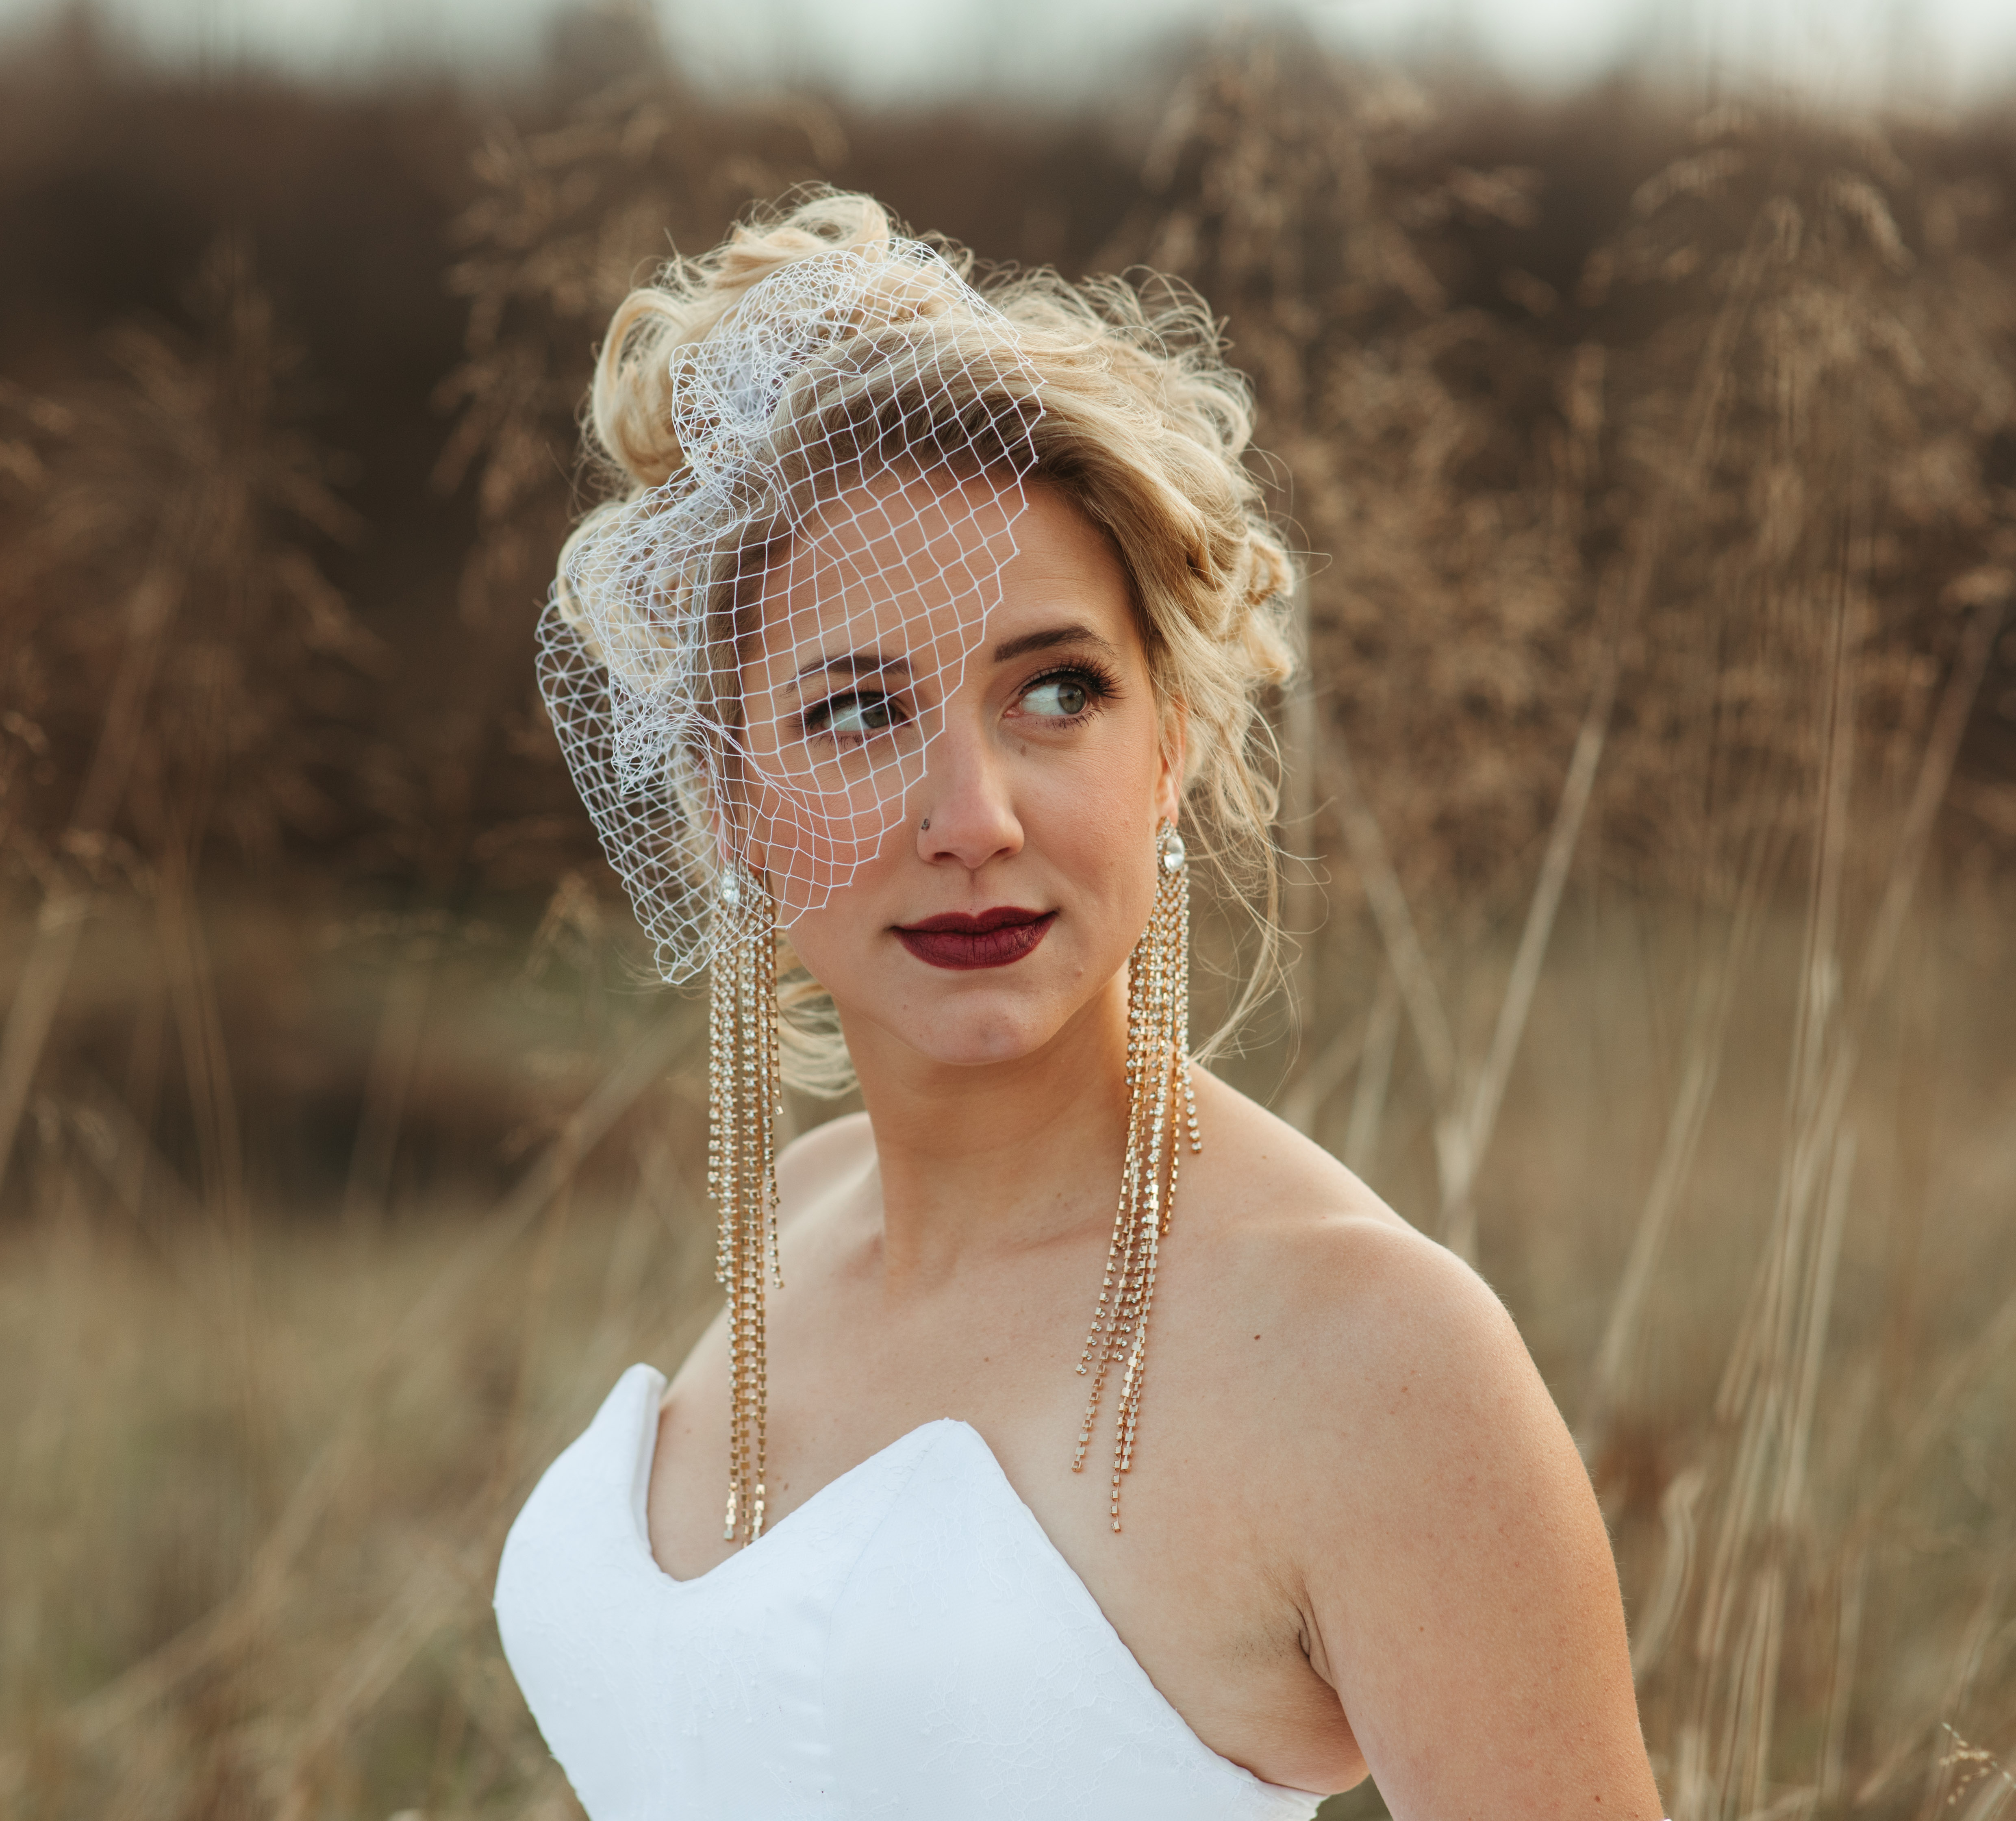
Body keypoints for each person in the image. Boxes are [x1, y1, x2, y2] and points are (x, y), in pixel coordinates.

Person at [495, 189, 1663, 1821]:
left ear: (1168, 743)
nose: (972, 815)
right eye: (856, 712)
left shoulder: (1375, 1358)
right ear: (727, 798)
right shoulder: (805, 1209)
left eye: (1055, 691)